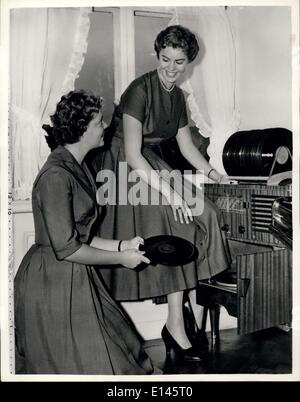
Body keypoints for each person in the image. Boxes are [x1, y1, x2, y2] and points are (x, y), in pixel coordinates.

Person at [90, 25, 232, 361]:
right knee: (175, 226)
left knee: (206, 214)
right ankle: (175, 328)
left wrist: (215, 174)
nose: (171, 68)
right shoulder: (139, 90)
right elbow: (134, 155)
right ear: (157, 55)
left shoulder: (179, 97)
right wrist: (171, 194)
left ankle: (178, 320)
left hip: (151, 164)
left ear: (189, 63)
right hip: (125, 165)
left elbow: (186, 146)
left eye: (179, 61)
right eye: (165, 59)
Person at [14, 90, 158, 375]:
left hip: (73, 272)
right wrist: (121, 259)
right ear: (81, 130)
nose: (105, 127)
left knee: (118, 349)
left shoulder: (76, 165)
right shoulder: (56, 175)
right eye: (98, 123)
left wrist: (122, 245)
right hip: (52, 281)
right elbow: (67, 248)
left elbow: (79, 235)